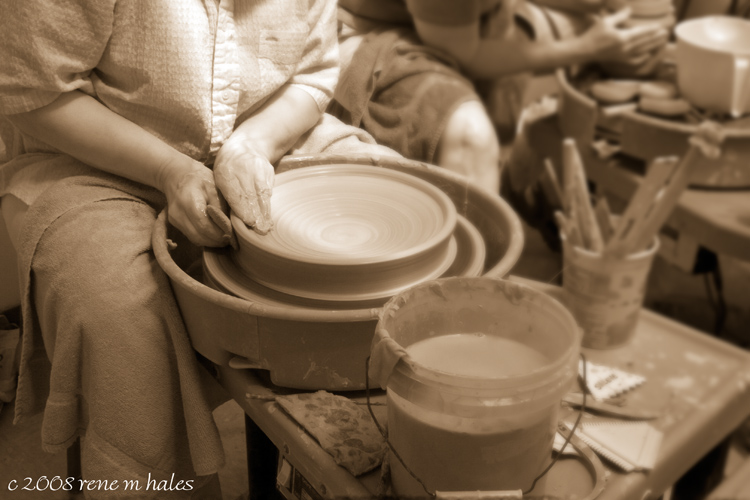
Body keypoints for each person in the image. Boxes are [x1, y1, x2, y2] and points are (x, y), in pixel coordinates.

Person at [0, 0, 395, 497]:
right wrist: (171, 171)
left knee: (399, 247)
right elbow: (35, 93)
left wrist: (251, 145)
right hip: (95, 157)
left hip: (268, 135)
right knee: (116, 313)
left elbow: (313, 76)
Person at [330, 0, 670, 193]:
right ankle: (467, 291)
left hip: (454, 17)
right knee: (468, 135)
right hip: (360, 30)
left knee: (590, 21)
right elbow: (465, 52)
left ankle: (524, 177)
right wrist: (587, 48)